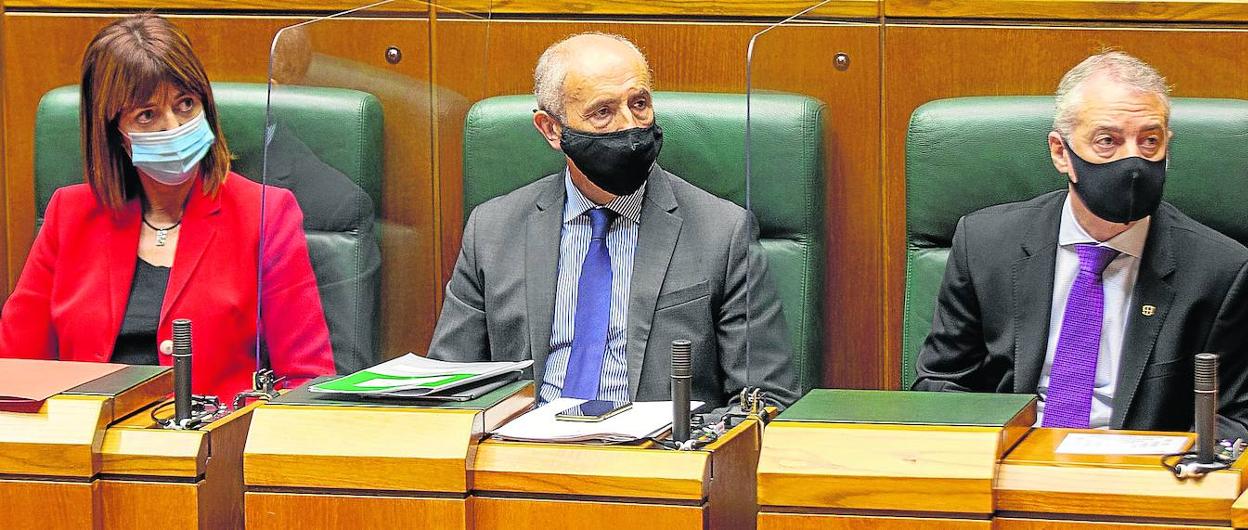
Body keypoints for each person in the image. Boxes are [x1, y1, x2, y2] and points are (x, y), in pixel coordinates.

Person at [428, 32, 798, 411]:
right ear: (551, 129)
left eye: (639, 104)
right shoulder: (491, 230)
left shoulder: (723, 232)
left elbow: (766, 401)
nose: (629, 127)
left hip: (657, 459)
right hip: (521, 455)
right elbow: (447, 389)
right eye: (602, 112)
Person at [913, 51, 1248, 437]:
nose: (1134, 162)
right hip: (1013, 461)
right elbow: (941, 385)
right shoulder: (986, 244)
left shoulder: (1221, 270)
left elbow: (1232, 419)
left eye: (1150, 141)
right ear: (1061, 153)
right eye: (1108, 141)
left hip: (1141, 476)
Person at [0, 14, 335, 399]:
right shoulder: (69, 214)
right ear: (116, 134)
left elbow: (306, 380)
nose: (172, 126)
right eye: (147, 114)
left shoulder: (265, 213)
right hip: (83, 449)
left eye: (185, 104)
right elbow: (15, 375)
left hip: (214, 448)